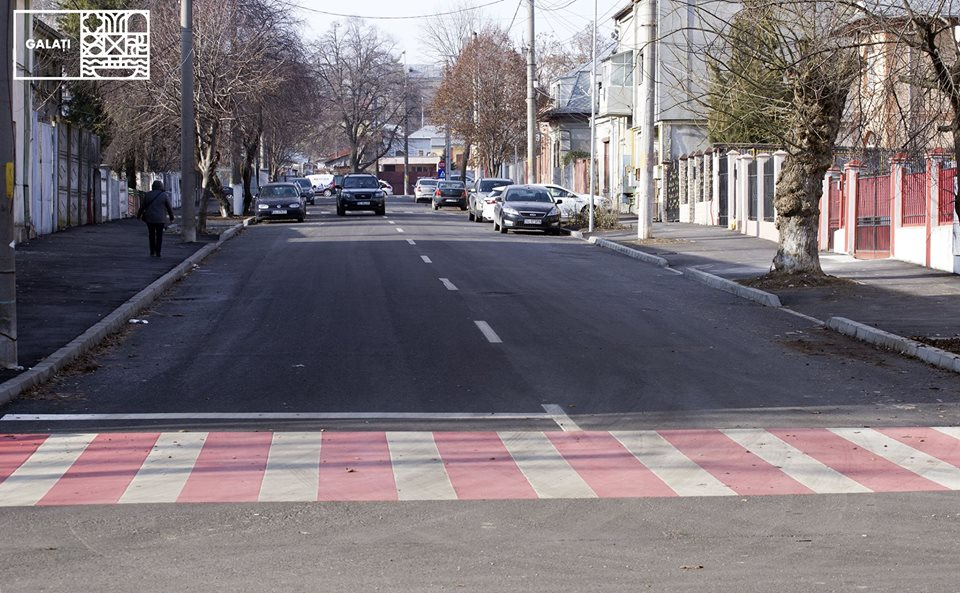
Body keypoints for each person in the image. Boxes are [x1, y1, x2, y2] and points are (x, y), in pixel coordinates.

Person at [137, 179, 175, 257]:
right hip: (160, 219)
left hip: (150, 218)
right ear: (161, 186)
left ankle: (152, 251)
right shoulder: (164, 195)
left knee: (151, 235)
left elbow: (142, 206)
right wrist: (172, 218)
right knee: (159, 235)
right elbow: (169, 208)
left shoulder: (148, 195)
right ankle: (158, 252)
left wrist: (138, 215)